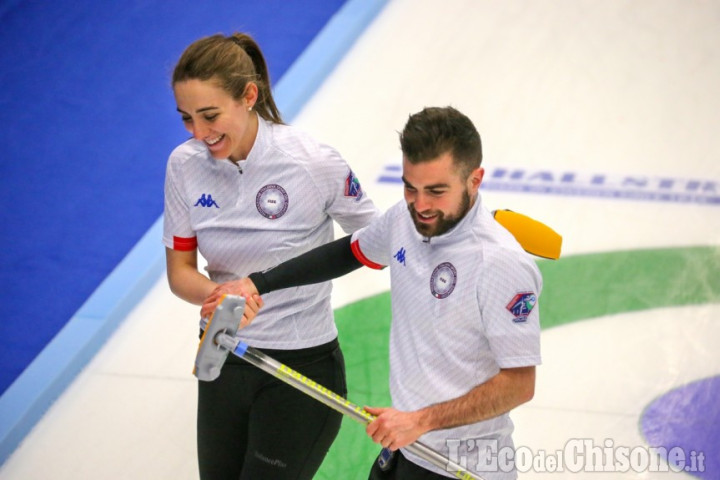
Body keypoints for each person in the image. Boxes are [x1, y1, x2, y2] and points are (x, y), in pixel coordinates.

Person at [203, 106, 542, 480]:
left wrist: (422, 420)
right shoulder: (404, 219)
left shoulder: (500, 264)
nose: (422, 205)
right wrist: (257, 283)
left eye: (436, 191)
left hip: (464, 467)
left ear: (475, 180)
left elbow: (519, 384)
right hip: (404, 452)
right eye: (410, 187)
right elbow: (348, 251)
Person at [163, 32, 379, 480]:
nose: (199, 134)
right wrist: (222, 294)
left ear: (248, 96)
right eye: (187, 119)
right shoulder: (183, 166)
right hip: (223, 357)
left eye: (209, 115)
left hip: (299, 367)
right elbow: (180, 272)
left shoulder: (311, 162)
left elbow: (375, 241)